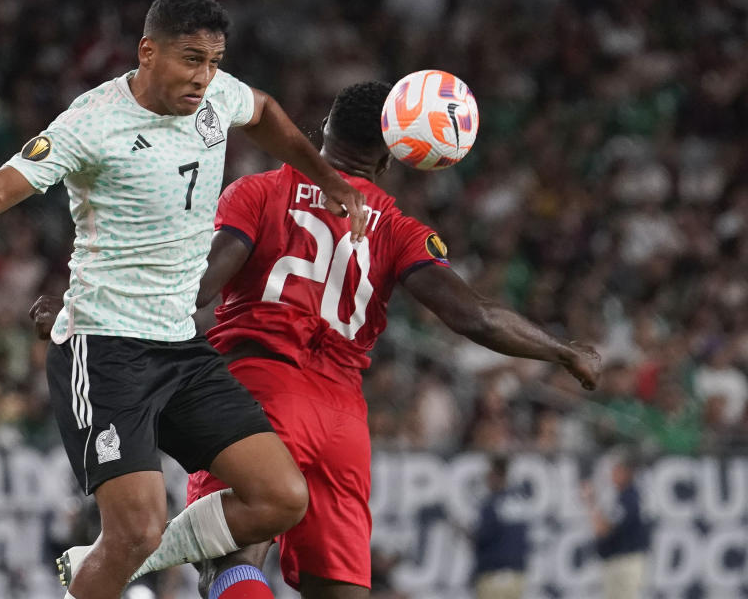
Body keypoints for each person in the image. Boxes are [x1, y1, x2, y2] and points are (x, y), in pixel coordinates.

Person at [38, 81, 601, 599]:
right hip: (343, 420)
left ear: (322, 128)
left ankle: (126, 559)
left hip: (256, 391)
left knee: (230, 564)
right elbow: (474, 317)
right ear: (388, 158)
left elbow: (199, 288)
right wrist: (564, 351)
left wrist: (90, 312)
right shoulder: (400, 229)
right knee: (340, 590)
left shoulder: (258, 192)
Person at [0, 0, 368, 599]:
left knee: (281, 497)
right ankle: (118, 559)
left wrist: (327, 178)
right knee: (135, 530)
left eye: (213, 60)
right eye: (190, 59)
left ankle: (117, 560)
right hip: (104, 352)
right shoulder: (92, 121)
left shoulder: (215, 98)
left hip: (181, 347)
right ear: (147, 52)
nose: (205, 77)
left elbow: (261, 113)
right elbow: (3, 186)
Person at [582, 453, 649, 599]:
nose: (612, 474)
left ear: (626, 473)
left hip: (625, 561)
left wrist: (590, 502)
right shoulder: (622, 497)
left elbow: (603, 529)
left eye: (617, 470)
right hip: (619, 560)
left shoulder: (629, 498)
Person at [472, 457, 528, 599]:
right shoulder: (520, 501)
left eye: (489, 476)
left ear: (495, 476)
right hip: (516, 575)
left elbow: (482, 538)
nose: (487, 480)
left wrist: (464, 533)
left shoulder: (491, 503)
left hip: (492, 575)